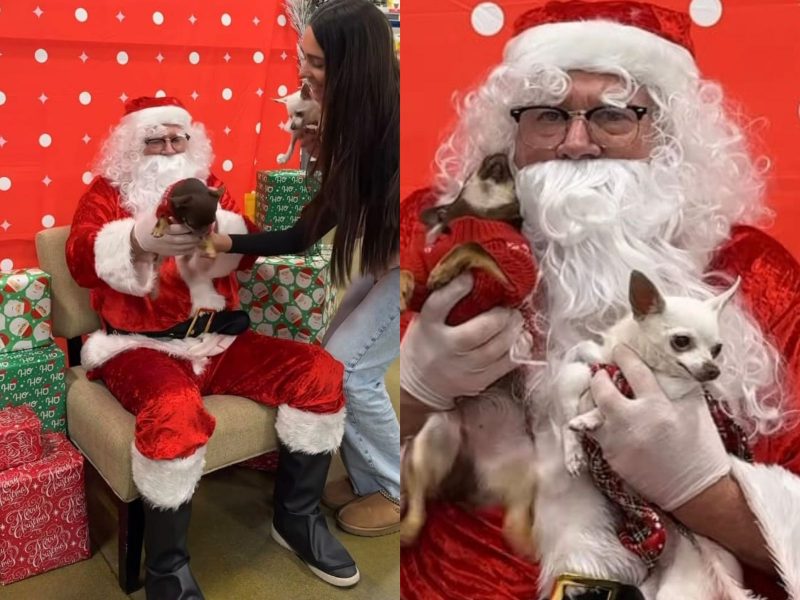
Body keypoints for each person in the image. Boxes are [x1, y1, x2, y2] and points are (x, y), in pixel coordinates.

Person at [399, 2, 800, 599]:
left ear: (666, 134)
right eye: (548, 115)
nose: (577, 143)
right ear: (513, 133)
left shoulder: (755, 272)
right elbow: (356, 468)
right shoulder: (436, 237)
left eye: (614, 115)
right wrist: (412, 389)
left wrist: (700, 488)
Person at [66, 95, 361, 599]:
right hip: (140, 348)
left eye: (176, 138)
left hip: (219, 340)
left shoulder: (212, 191)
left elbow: (244, 259)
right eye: (153, 139)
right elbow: (81, 261)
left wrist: (220, 231)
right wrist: (139, 238)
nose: (166, 148)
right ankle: (167, 571)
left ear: (191, 140)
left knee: (319, 370)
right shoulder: (105, 195)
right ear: (129, 146)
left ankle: (297, 519)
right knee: (174, 412)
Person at [211, 0, 401, 537]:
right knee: (334, 351)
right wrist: (229, 239)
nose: (303, 73)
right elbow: (305, 233)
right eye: (303, 58)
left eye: (316, 63)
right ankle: (370, 480)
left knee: (351, 367)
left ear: (353, 64)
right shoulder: (351, 124)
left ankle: (395, 489)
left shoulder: (397, 126)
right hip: (393, 255)